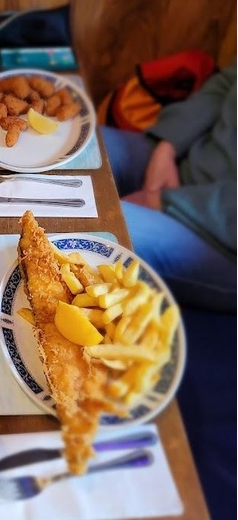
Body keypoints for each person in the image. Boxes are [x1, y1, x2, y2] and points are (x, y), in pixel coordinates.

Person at [99, 65, 235, 519]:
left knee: (98, 231)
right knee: (80, 147)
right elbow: (225, 83)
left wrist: (165, 201)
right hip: (187, 156)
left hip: (223, 234)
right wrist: (167, 145)